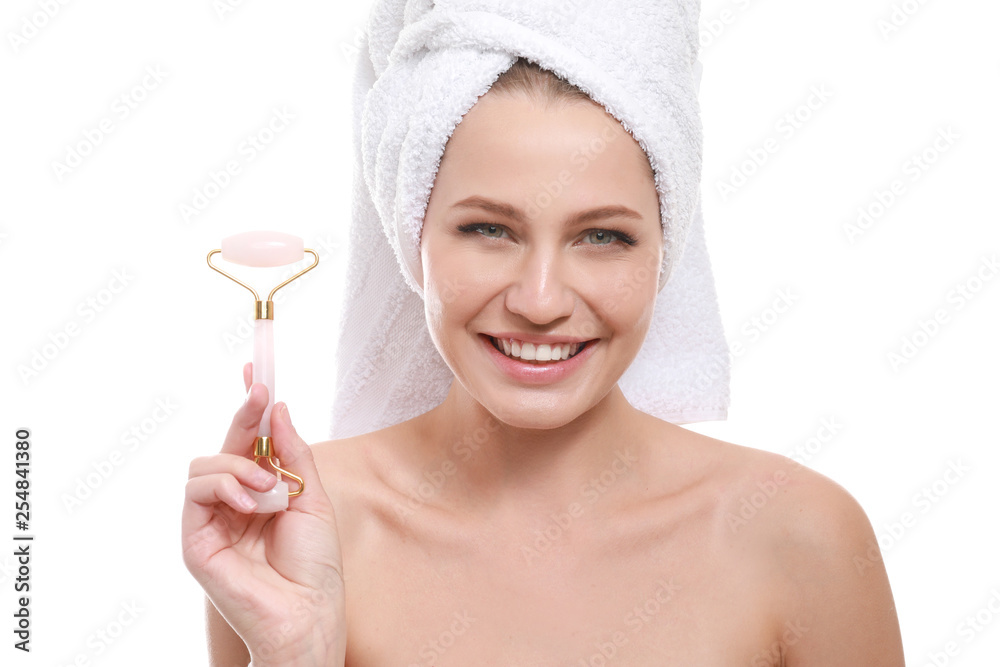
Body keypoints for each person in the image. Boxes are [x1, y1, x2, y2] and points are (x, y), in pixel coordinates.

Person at [183, 23, 905, 667]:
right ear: (412, 237)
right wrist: (296, 652)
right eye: (489, 229)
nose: (541, 300)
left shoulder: (801, 539)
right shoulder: (300, 533)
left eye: (603, 236)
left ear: (666, 250)